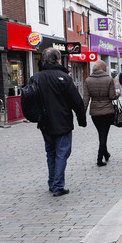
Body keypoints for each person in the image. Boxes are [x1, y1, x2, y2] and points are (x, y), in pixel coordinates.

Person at [35, 47, 87, 197]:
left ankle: (52, 183)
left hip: (45, 122)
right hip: (62, 122)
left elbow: (31, 100)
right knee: (62, 153)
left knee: (51, 153)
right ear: (58, 60)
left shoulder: (37, 77)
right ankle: (58, 185)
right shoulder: (64, 77)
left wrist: (36, 116)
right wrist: (81, 120)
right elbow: (76, 101)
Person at [83, 60, 119, 167]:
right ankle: (99, 158)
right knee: (103, 135)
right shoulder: (109, 79)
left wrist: (82, 114)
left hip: (94, 112)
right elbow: (112, 96)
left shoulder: (88, 80)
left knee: (101, 133)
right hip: (107, 111)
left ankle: (106, 154)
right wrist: (117, 94)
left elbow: (86, 98)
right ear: (103, 68)